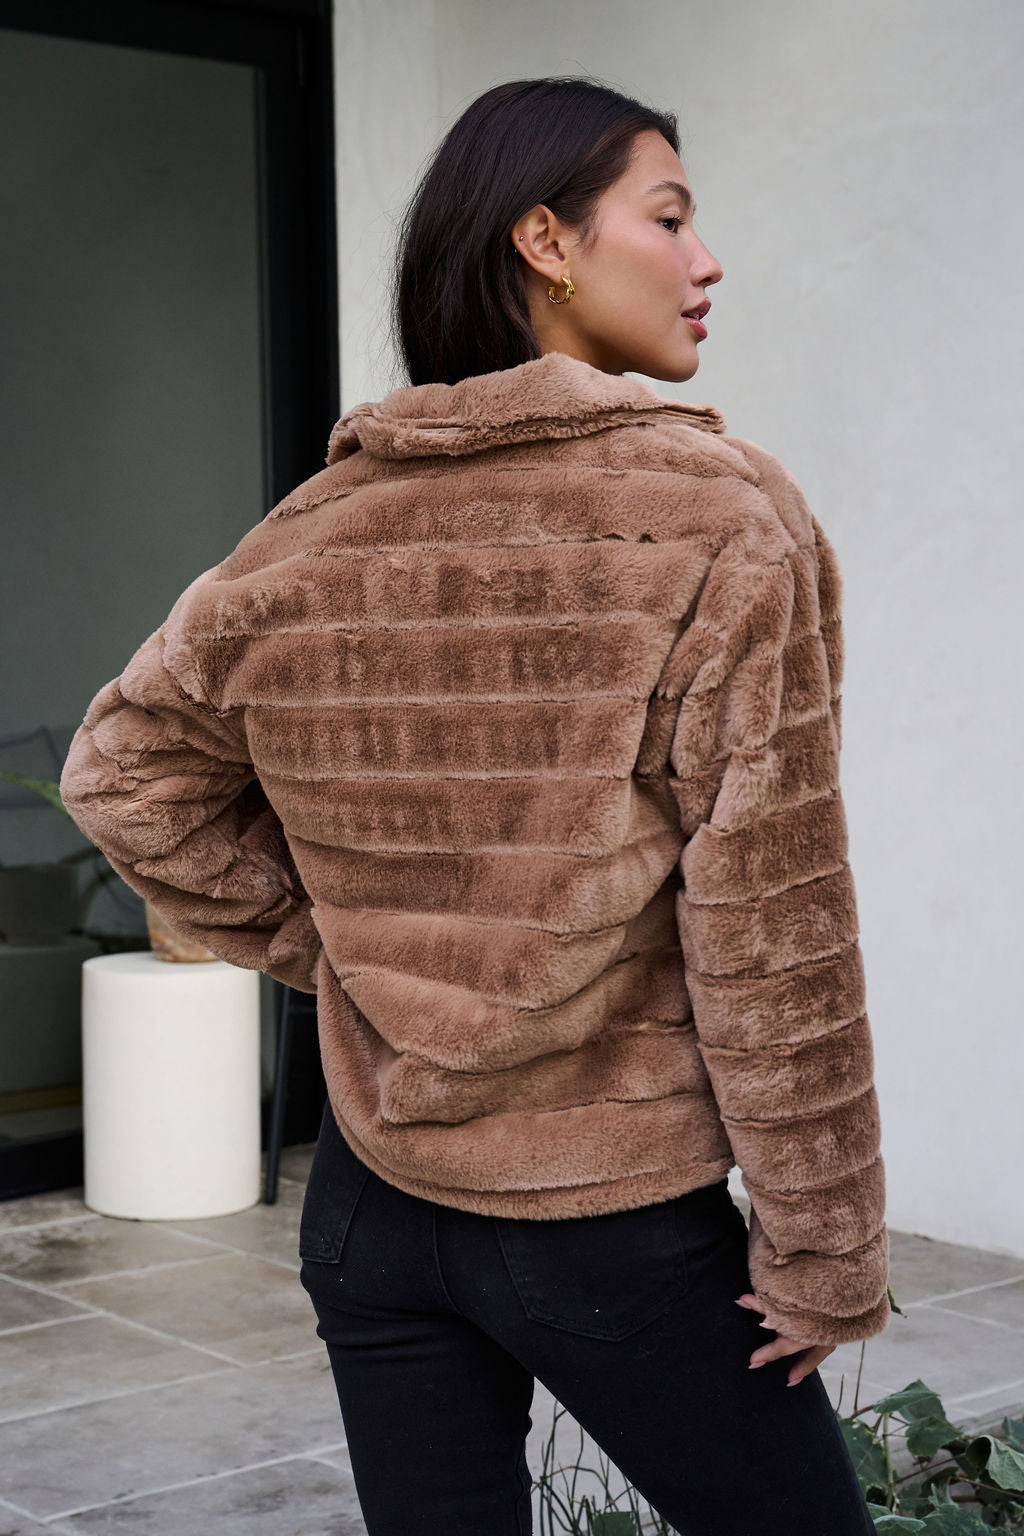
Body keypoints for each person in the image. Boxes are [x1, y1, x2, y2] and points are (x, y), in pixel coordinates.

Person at [59, 74, 891, 1536]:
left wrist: (354, 955)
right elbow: (775, 923)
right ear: (547, 242)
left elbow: (121, 774)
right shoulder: (715, 523)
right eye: (673, 217)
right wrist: (825, 1245)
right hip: (611, 1216)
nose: (708, 262)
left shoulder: (309, 534)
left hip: (371, 1209)